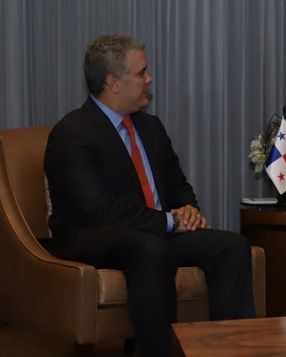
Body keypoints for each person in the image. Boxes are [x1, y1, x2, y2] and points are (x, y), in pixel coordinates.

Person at [44, 33, 255, 356]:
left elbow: (177, 183)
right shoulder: (73, 133)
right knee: (151, 249)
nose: (149, 78)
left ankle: (232, 350)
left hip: (156, 230)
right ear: (114, 82)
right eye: (141, 73)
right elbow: (98, 210)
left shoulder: (150, 127)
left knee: (232, 246)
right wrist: (169, 222)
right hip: (96, 236)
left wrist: (187, 209)